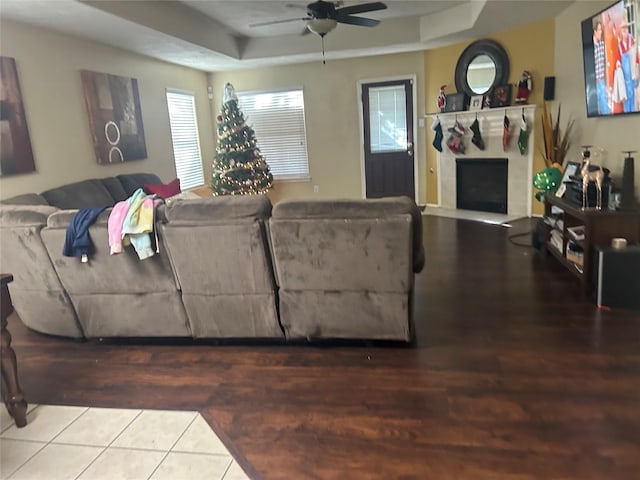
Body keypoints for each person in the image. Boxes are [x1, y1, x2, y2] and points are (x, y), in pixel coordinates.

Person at [618, 16, 639, 112]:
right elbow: (619, 59)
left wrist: (637, 74)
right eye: (623, 29)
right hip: (625, 79)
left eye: (626, 28)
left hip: (632, 75)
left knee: (633, 100)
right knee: (627, 99)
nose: (624, 31)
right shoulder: (620, 44)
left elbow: (636, 57)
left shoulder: (632, 39)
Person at [593, 17, 609, 114]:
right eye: (599, 30)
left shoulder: (602, 45)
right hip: (593, 85)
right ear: (594, 31)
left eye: (601, 30)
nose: (601, 32)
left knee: (605, 109)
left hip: (601, 82)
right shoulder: (590, 49)